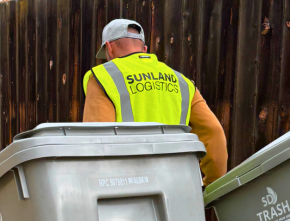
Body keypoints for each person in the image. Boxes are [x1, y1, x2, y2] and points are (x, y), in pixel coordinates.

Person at [82, 19, 228, 186]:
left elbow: (97, 141)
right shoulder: (182, 82)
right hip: (176, 187)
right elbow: (214, 133)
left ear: (109, 48)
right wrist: (212, 185)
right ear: (144, 49)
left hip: (126, 191)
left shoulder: (102, 77)